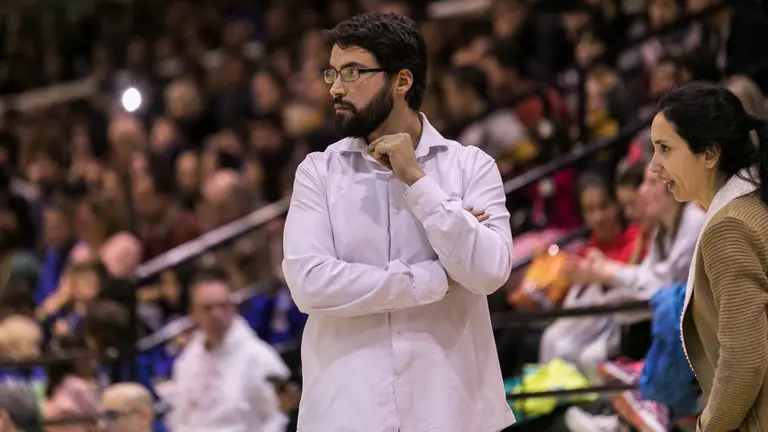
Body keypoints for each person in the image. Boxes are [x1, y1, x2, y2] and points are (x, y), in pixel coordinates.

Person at [282, 12, 515, 432]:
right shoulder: (317, 172)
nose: (335, 87)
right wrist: (434, 277)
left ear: (401, 81)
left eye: (352, 72)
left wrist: (419, 183)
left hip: (451, 408)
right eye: (332, 72)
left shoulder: (471, 166)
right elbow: (310, 283)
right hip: (348, 412)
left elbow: (488, 272)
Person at [651, 81, 768, 431]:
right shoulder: (751, 206)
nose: (654, 166)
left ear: (709, 154)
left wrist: (708, 427)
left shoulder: (729, 228)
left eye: (665, 149)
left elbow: (743, 361)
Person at [167, 270, 290, 432]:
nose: (217, 314)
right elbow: (179, 417)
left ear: (234, 308)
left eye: (223, 306)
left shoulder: (259, 358)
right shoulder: (187, 360)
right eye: (207, 308)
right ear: (193, 314)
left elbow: (279, 417)